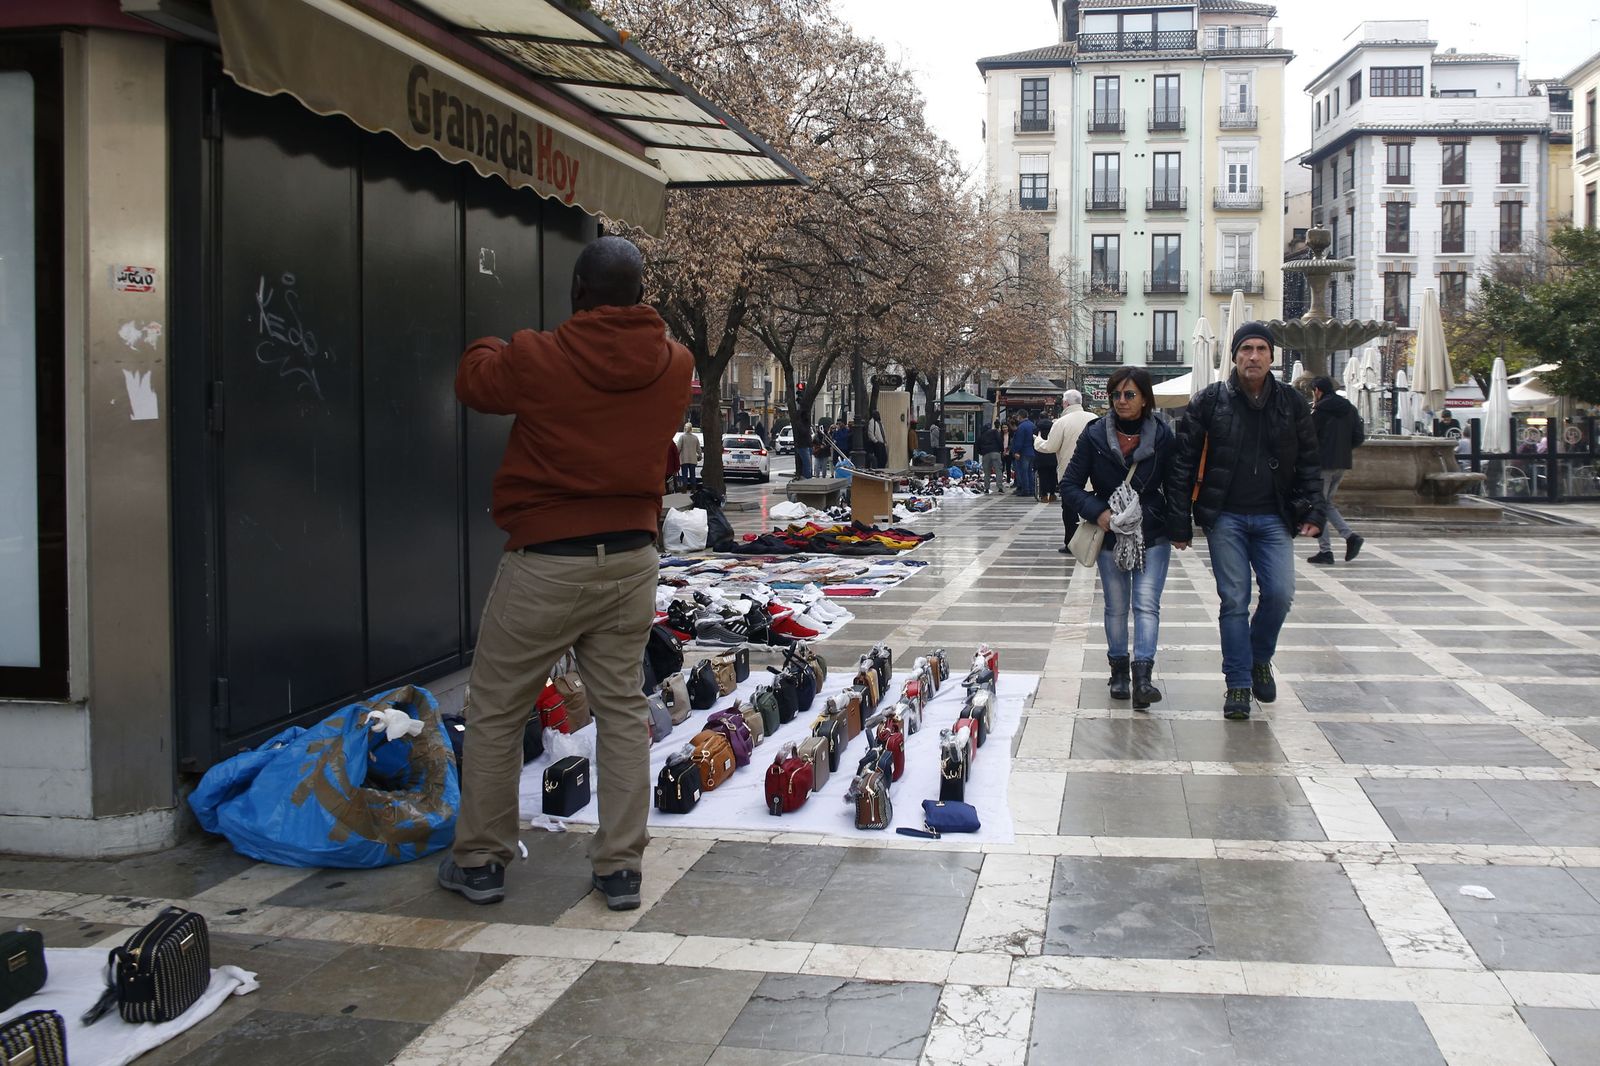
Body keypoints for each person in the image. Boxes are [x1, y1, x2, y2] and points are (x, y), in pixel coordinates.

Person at [445, 235, 693, 911]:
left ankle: (482, 862)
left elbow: (476, 381)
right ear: (641, 296)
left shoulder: (538, 357)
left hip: (547, 561)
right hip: (632, 560)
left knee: (496, 709)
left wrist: (489, 342)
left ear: (579, 292)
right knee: (619, 710)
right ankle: (619, 869)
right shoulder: (674, 364)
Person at [1165, 322, 1325, 722]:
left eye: (1261, 350)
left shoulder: (1291, 402)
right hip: (1226, 517)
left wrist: (1314, 510)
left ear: (1272, 357)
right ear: (1234, 356)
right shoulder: (1210, 400)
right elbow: (1183, 463)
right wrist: (1180, 522)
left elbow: (1309, 462)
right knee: (1234, 600)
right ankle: (1237, 682)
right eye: (1245, 350)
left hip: (1274, 516)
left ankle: (1259, 658)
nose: (1253, 356)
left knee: (1281, 593)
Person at [1061, 368, 1177, 710]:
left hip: (1152, 531)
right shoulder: (1094, 435)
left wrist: (1180, 525)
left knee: (1146, 604)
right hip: (1110, 535)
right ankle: (1119, 673)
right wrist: (1099, 513)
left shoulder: (1163, 437)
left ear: (1145, 399)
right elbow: (1068, 485)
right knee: (1115, 606)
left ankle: (1143, 678)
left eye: (1129, 395)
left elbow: (1176, 485)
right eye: (1116, 395)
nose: (1122, 401)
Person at [1308, 377, 1365, 565]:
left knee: (1319, 505)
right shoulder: (1349, 408)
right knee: (1326, 504)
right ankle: (1348, 538)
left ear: (1317, 390)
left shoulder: (1320, 412)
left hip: (1323, 464)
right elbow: (1358, 436)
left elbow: (1307, 438)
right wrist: (1343, 451)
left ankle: (1327, 550)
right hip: (1342, 463)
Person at [1039, 390, 1096, 547]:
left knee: (1070, 511)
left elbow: (1050, 447)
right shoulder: (1095, 419)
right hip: (1094, 475)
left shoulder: (1062, 422)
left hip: (1069, 475)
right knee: (1092, 509)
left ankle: (1071, 543)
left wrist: (1037, 442)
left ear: (1065, 403)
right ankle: (1092, 543)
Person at [1012, 410, 1038, 497]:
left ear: (1020, 416)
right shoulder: (1032, 425)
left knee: (1024, 472)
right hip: (1032, 452)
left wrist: (1016, 451)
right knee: (1030, 472)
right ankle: (1032, 489)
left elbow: (1019, 441)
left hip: (1023, 452)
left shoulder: (1021, 427)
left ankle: (1025, 490)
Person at [1033, 415, 1057, 502]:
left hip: (1041, 457)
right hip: (1053, 456)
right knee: (1053, 476)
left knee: (1043, 476)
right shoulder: (1054, 429)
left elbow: (1033, 442)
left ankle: (1044, 496)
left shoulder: (1036, 429)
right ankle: (1052, 494)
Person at [976, 421, 1003, 493]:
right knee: (998, 471)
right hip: (995, 452)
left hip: (985, 455)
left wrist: (982, 453)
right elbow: (999, 441)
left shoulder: (980, 436)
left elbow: (977, 447)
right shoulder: (994, 432)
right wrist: (1001, 450)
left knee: (987, 472)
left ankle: (987, 488)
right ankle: (1000, 487)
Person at [674, 421, 700, 487]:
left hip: (684, 459)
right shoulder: (695, 438)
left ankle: (684, 488)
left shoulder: (682, 437)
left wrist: (676, 456)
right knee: (692, 475)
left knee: (684, 475)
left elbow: (678, 449)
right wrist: (700, 455)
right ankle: (693, 488)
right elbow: (698, 449)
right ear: (691, 429)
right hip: (693, 459)